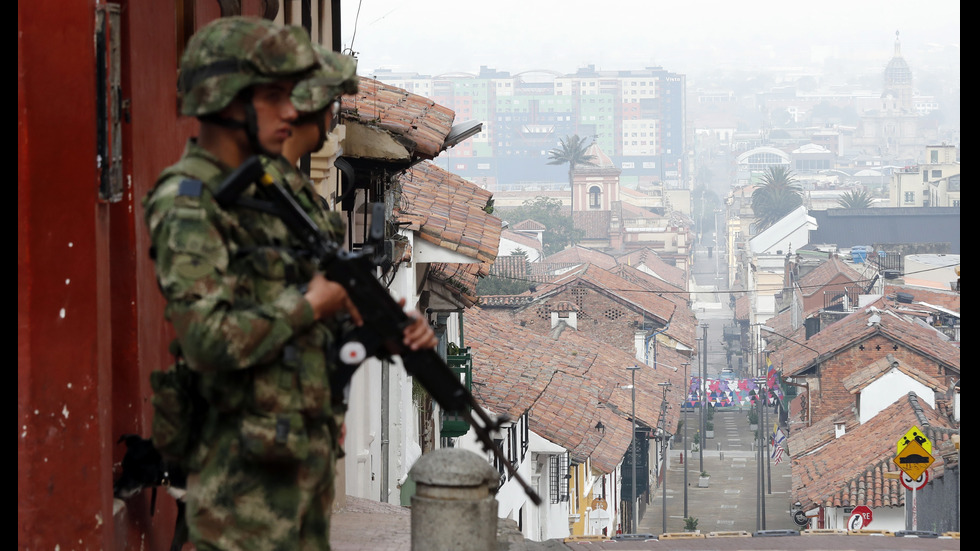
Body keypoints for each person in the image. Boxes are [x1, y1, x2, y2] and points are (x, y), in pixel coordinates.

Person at [143, 16, 436, 550]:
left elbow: (305, 326)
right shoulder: (190, 202)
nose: (291, 110)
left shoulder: (275, 187)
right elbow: (206, 338)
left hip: (299, 458)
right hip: (239, 480)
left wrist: (378, 329)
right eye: (273, 95)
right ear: (227, 100)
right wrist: (311, 303)